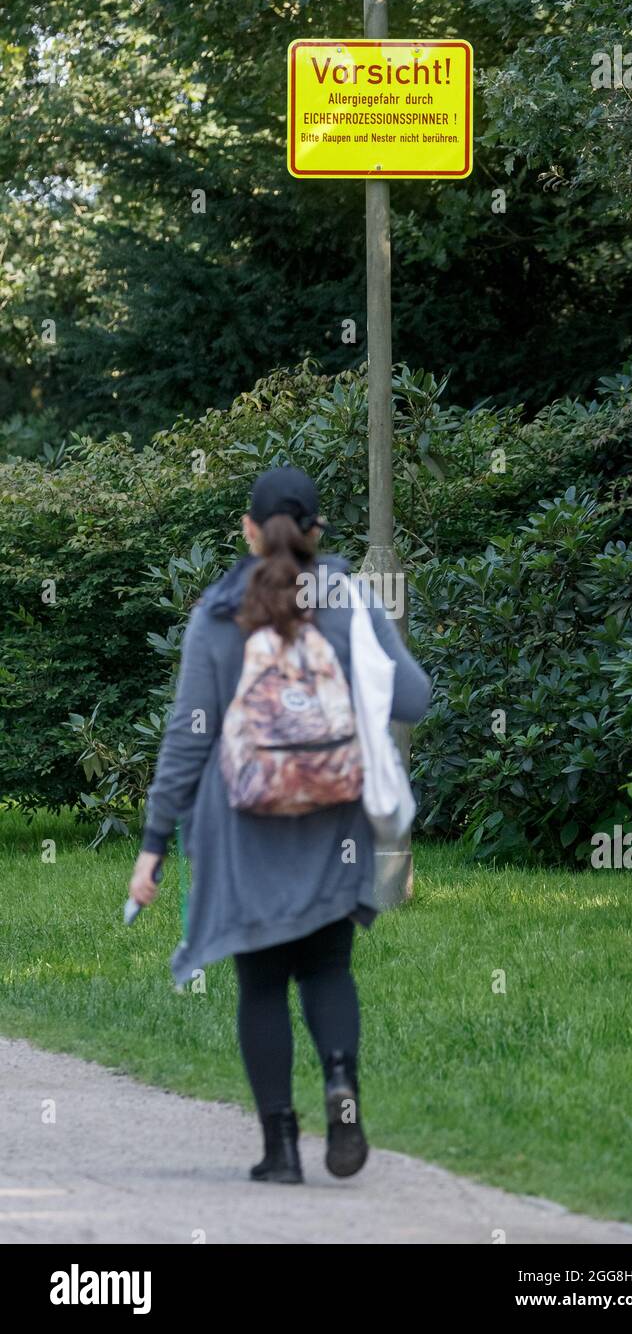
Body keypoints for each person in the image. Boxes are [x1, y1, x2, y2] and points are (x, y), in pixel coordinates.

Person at [129, 466, 431, 1183]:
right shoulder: (349, 601)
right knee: (327, 968)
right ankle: (342, 1092)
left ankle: (282, 1152)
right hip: (337, 826)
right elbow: (413, 698)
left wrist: (153, 846)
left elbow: (187, 738)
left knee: (261, 985)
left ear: (247, 530)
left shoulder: (216, 612)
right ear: (318, 531)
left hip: (243, 831)